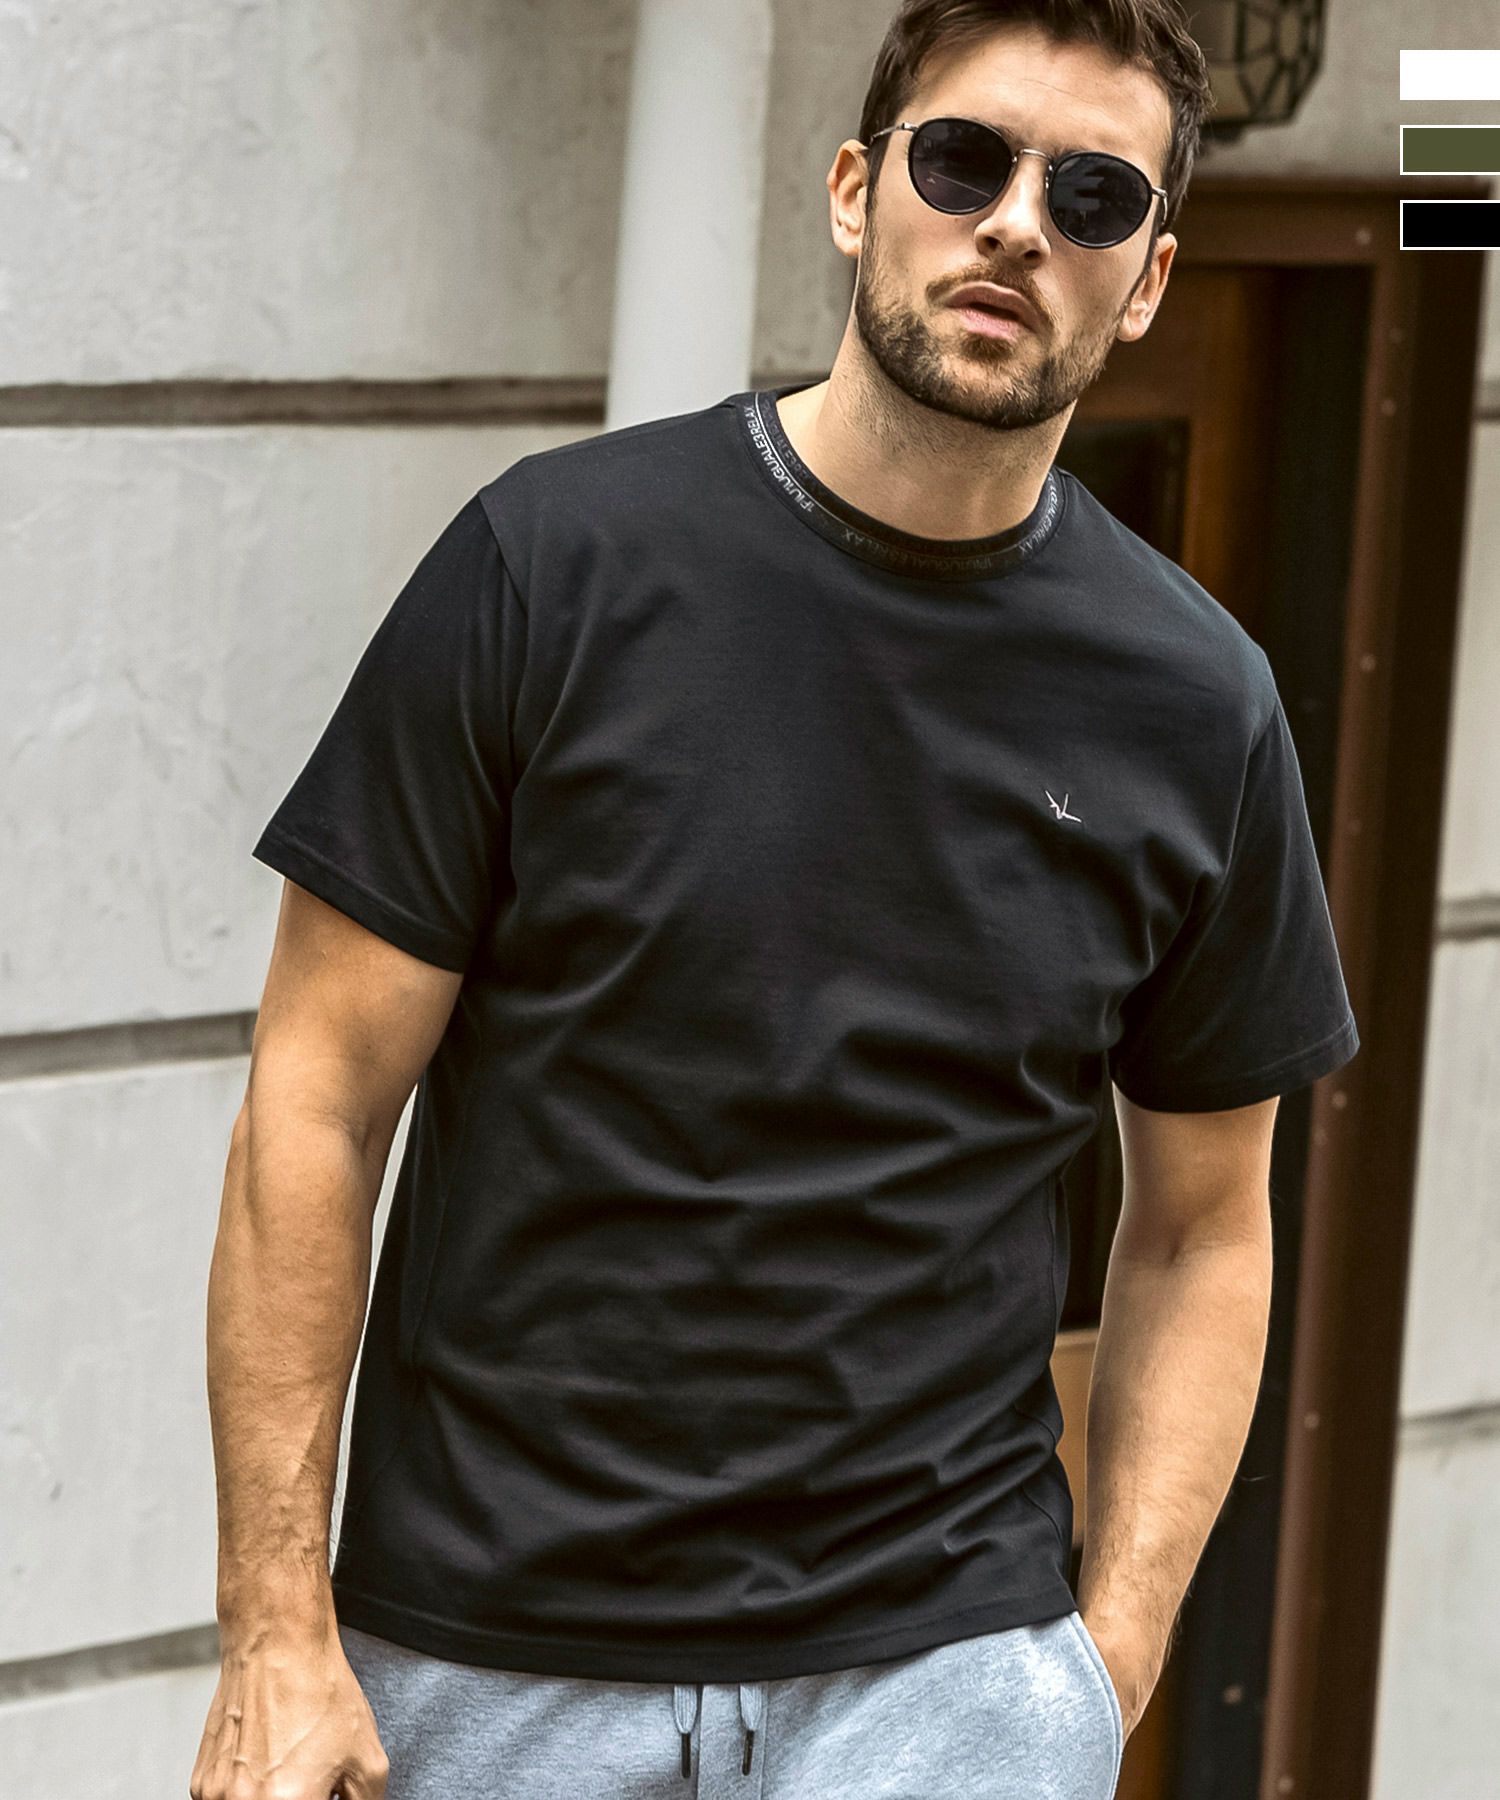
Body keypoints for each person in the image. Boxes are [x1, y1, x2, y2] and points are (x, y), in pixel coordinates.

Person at [190, 2, 1360, 1796]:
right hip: (497, 1661)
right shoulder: (551, 567)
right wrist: (276, 1626)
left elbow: (1206, 1228)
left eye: (1094, 196)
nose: (1018, 224)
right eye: (963, 160)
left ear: (1145, 280)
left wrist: (1098, 1671)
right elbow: (318, 1100)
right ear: (854, 191)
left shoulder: (1199, 705)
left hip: (941, 1688)